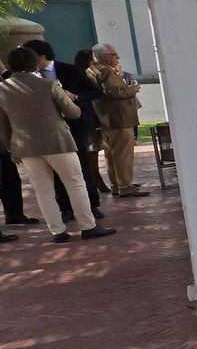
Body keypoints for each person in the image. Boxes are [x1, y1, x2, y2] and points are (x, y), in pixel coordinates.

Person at [0, 47, 113, 242]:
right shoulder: (48, 85)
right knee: (75, 183)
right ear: (33, 64)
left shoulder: (3, 89)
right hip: (58, 143)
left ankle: (57, 231)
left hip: (26, 146)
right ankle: (88, 226)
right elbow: (73, 113)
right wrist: (68, 98)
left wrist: (11, 148)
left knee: (42, 189)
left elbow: (3, 124)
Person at [85, 43, 146, 198]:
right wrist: (132, 90)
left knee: (111, 154)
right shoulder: (105, 71)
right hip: (119, 117)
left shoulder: (92, 70)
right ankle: (125, 185)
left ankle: (117, 184)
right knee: (122, 154)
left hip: (107, 118)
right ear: (104, 56)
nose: (117, 57)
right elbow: (113, 92)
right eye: (114, 54)